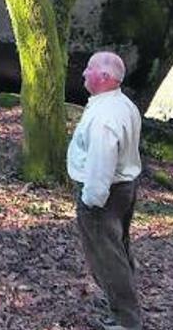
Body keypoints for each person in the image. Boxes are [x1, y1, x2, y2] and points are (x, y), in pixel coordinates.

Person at [67, 51, 143, 330]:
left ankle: (126, 320)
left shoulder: (105, 117)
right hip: (123, 189)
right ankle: (121, 305)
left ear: (104, 77)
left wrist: (91, 200)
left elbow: (102, 163)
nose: (84, 73)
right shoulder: (121, 104)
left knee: (106, 257)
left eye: (89, 69)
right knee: (117, 249)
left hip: (105, 194)